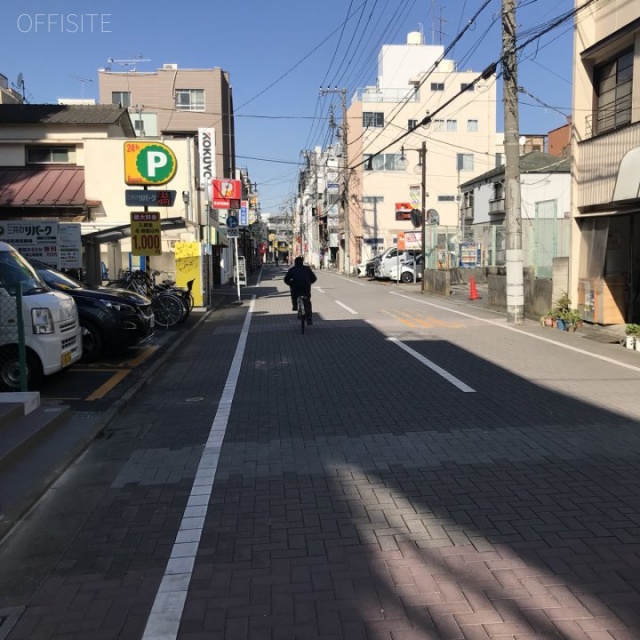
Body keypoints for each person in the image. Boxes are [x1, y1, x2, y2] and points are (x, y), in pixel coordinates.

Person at [284, 256, 317, 324]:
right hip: (306, 288)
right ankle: (309, 317)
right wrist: (309, 283)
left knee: (294, 294)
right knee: (308, 301)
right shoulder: (307, 268)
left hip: (296, 288)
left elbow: (286, 279)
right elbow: (314, 278)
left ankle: (295, 306)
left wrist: (291, 284)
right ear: (302, 262)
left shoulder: (292, 269)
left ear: (295, 262)